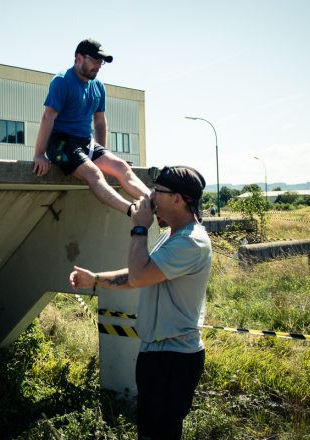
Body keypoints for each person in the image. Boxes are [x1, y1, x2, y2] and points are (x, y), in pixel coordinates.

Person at [70, 165, 212, 440]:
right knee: (150, 431)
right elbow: (141, 276)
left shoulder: (191, 242)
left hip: (175, 358)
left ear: (178, 199)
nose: (151, 197)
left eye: (158, 192)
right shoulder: (172, 236)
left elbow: (139, 273)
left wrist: (139, 227)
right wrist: (95, 279)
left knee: (159, 434)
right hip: (157, 353)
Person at [33, 38, 151, 216]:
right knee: (94, 173)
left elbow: (100, 122)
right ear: (79, 58)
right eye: (95, 61)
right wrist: (39, 154)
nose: (98, 66)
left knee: (121, 167)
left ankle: (158, 205)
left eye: (101, 62)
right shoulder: (62, 81)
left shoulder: (98, 86)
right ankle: (133, 212)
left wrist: (104, 153)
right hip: (61, 143)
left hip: (85, 142)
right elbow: (48, 116)